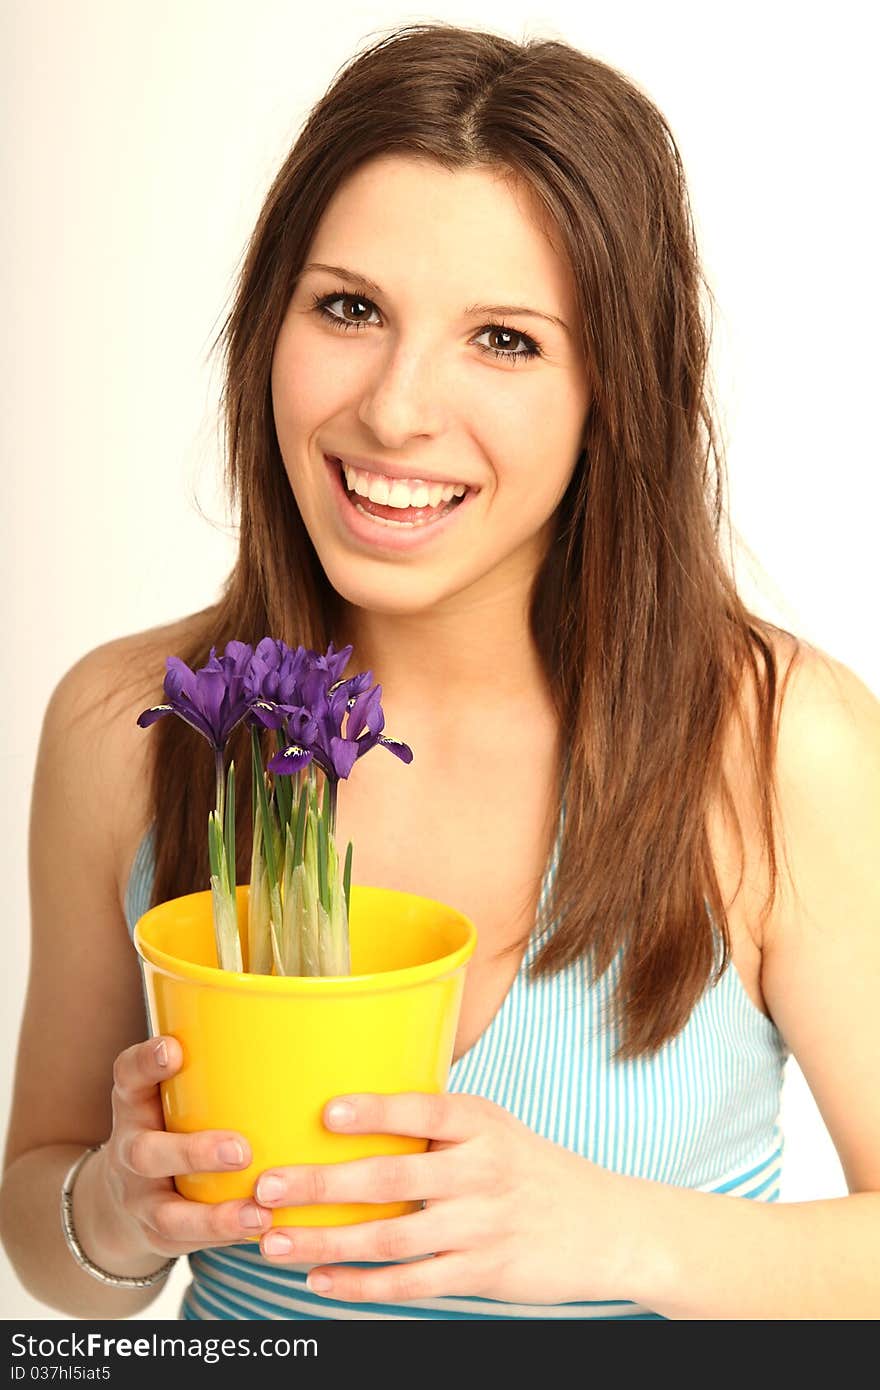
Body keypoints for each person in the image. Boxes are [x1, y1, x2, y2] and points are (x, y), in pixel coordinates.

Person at [2, 20, 878, 1322]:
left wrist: (623, 1235)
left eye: (506, 340)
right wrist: (119, 1210)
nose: (396, 408)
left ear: (615, 393)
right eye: (348, 307)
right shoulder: (124, 725)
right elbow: (48, 1227)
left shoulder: (771, 742)